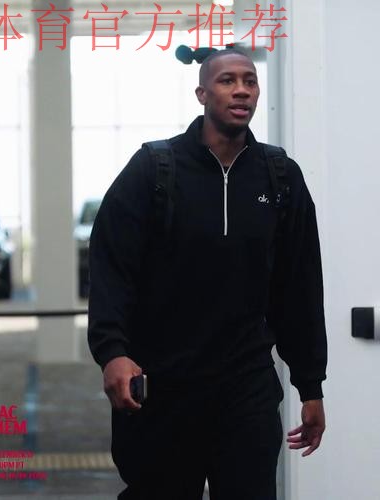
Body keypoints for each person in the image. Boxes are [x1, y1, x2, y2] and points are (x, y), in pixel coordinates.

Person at [88, 49, 327, 500]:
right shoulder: (154, 169)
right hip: (163, 386)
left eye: (250, 81)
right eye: (227, 81)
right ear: (202, 93)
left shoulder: (280, 177)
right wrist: (112, 352)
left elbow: (299, 288)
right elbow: (111, 267)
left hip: (246, 387)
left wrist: (310, 385)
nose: (241, 90)